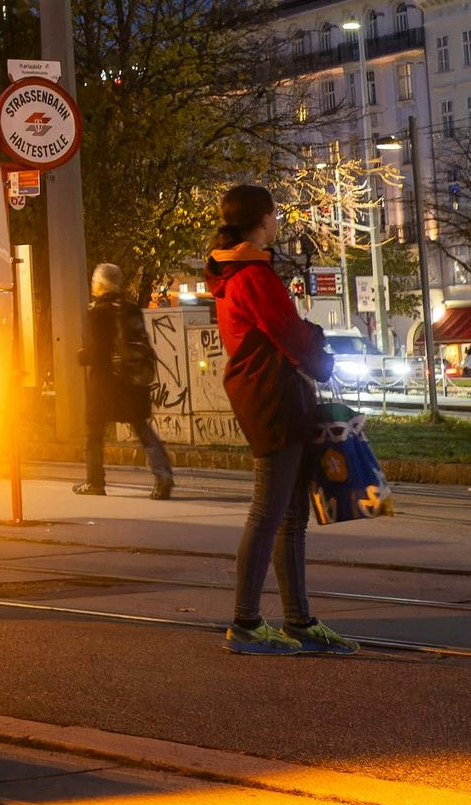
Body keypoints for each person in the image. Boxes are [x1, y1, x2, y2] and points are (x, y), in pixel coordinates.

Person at [207, 184, 356, 656]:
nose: (277, 222)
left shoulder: (236, 270)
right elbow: (287, 331)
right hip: (272, 398)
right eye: (273, 215)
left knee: (290, 516)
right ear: (263, 219)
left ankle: (299, 620)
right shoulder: (251, 273)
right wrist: (321, 357)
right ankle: (247, 622)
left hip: (273, 396)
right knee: (270, 514)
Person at [73, 262, 174, 499]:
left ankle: (95, 482)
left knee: (95, 433)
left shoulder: (97, 312)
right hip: (133, 381)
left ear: (100, 285)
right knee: (142, 429)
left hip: (106, 384)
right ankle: (163, 476)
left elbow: (98, 352)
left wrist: (82, 356)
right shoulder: (131, 308)